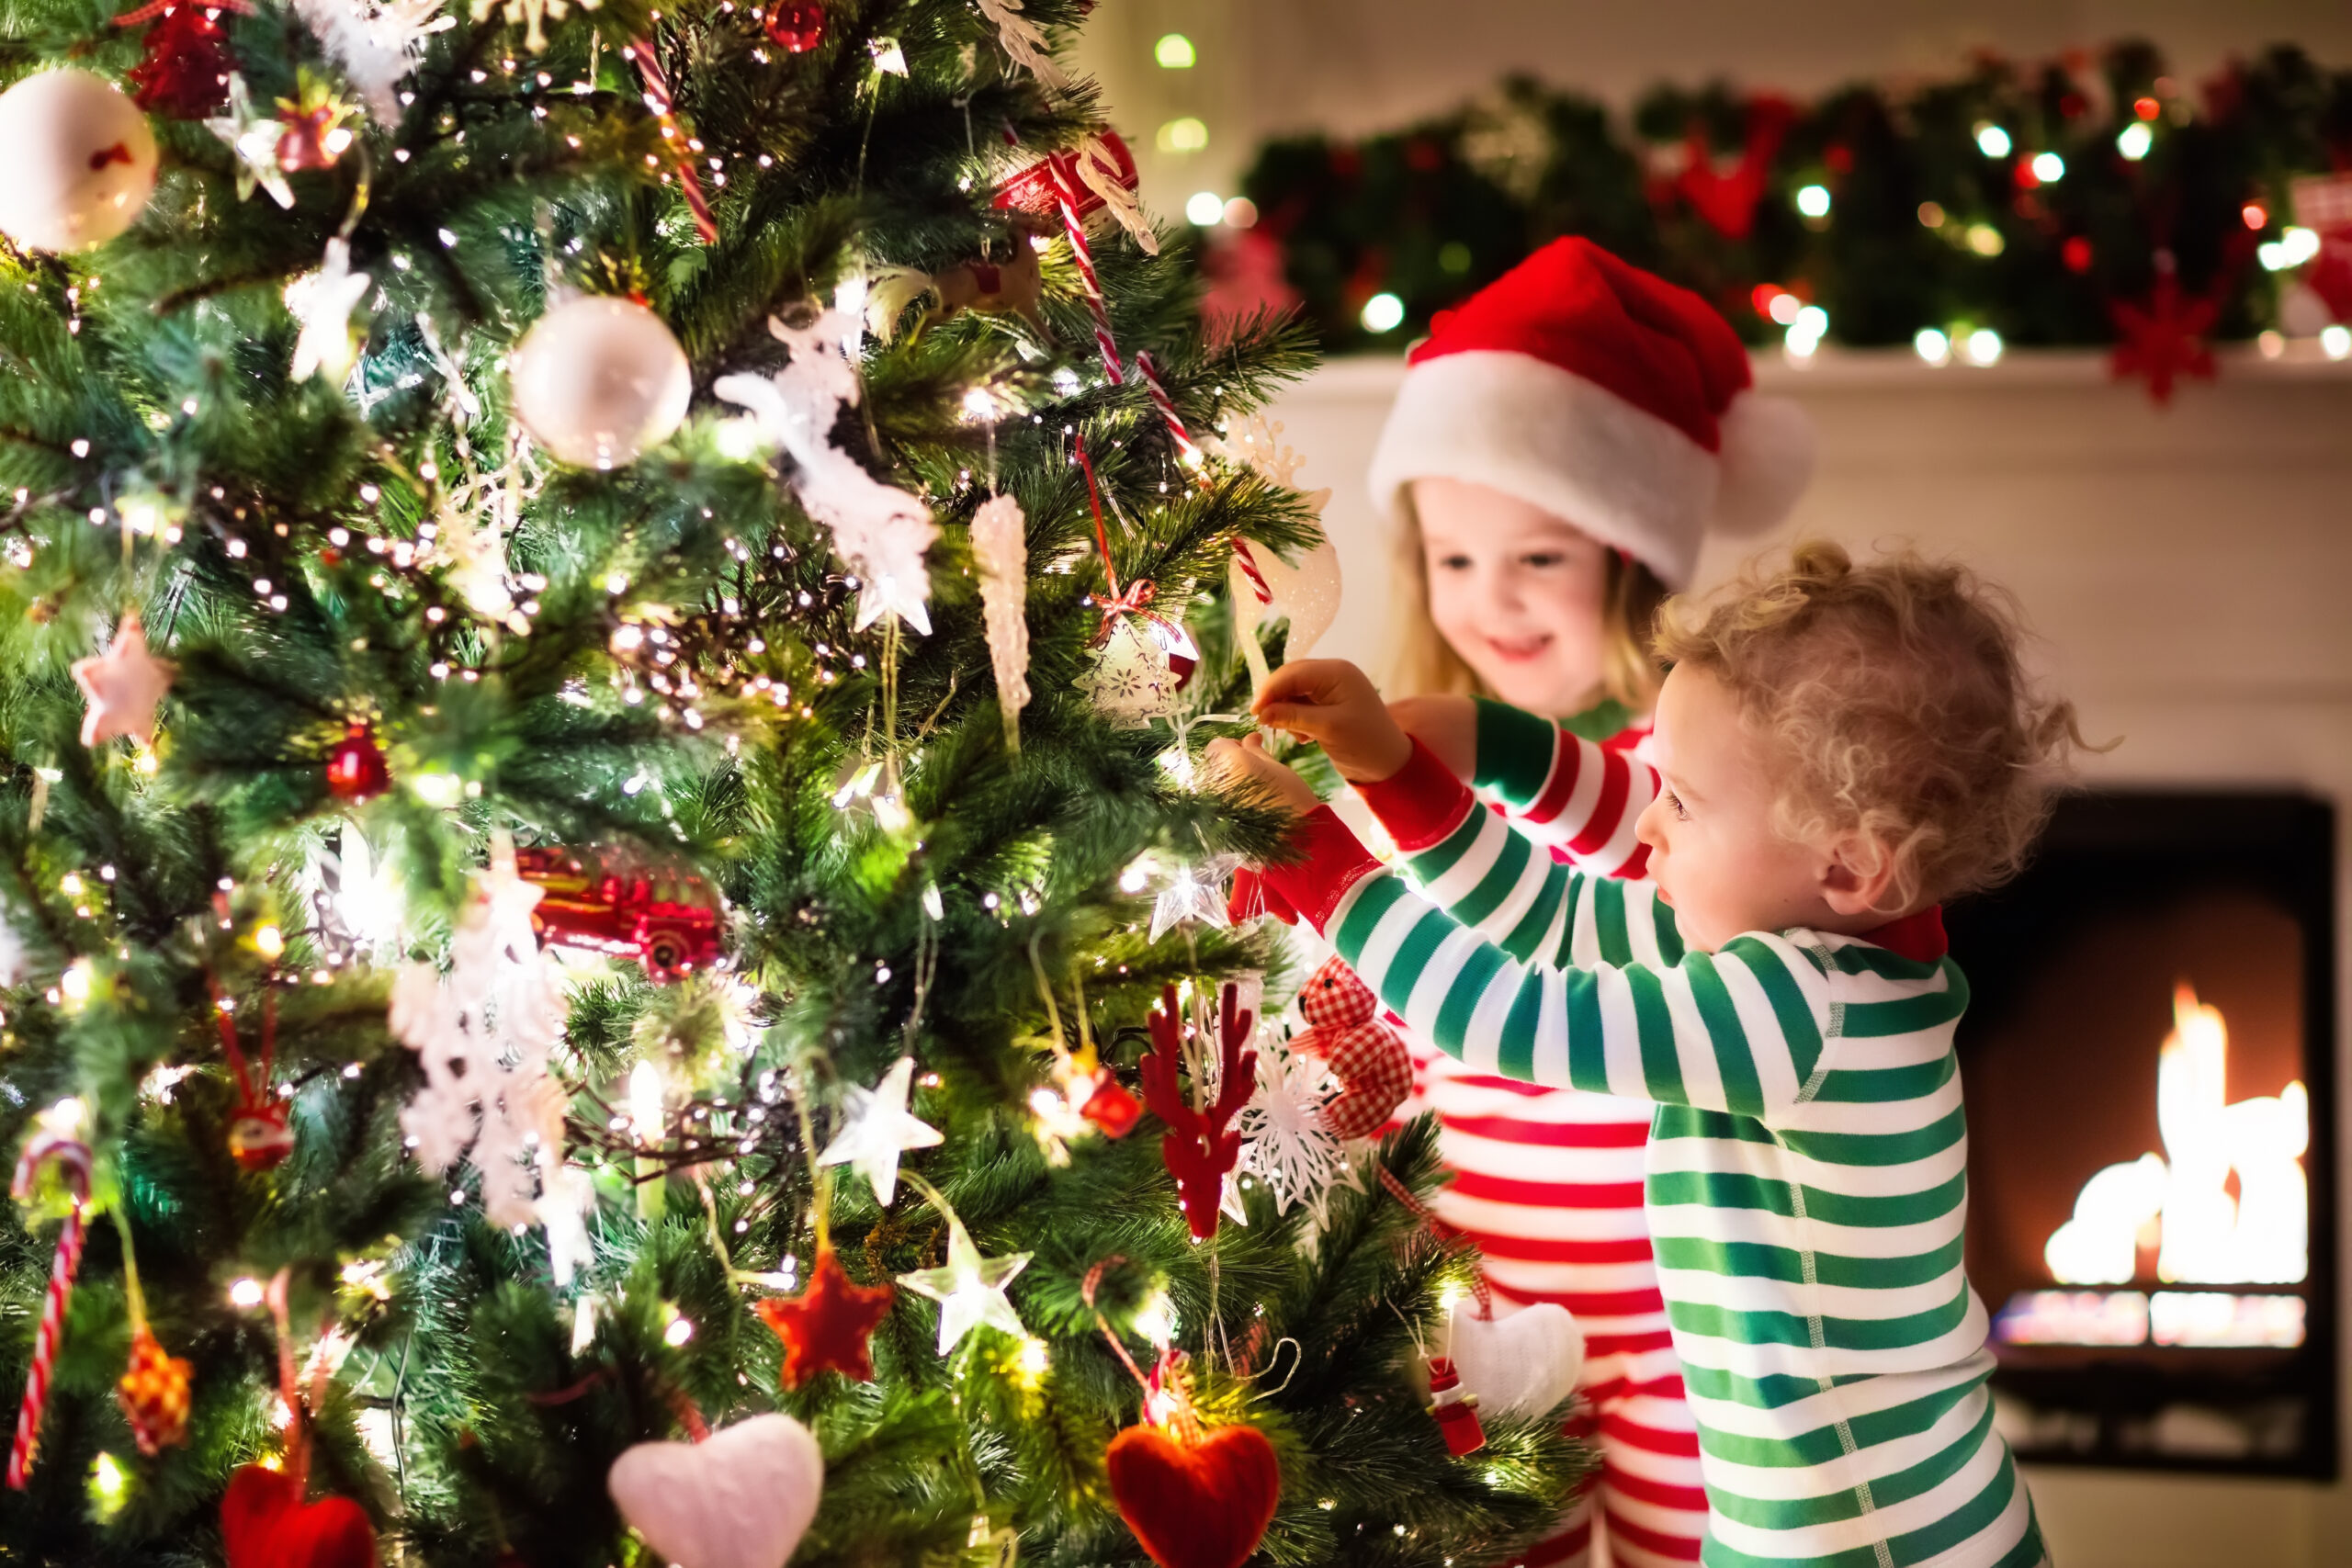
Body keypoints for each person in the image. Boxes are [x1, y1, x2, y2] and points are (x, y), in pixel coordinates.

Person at [1216, 543, 2084, 1568]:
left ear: (1847, 865)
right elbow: (1552, 918)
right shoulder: (1817, 951)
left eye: (1679, 802)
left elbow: (1506, 1012)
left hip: (1874, 1539)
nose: (1645, 827)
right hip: (1810, 1521)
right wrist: (1405, 774)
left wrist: (1320, 859)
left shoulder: (1796, 1014)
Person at [1363, 236, 1814, 1568]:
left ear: (1627, 556)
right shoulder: (1413, 773)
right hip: (1489, 1293)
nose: (1487, 601)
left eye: (1537, 560)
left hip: (1686, 1302)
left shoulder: (1689, 773)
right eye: (1453, 560)